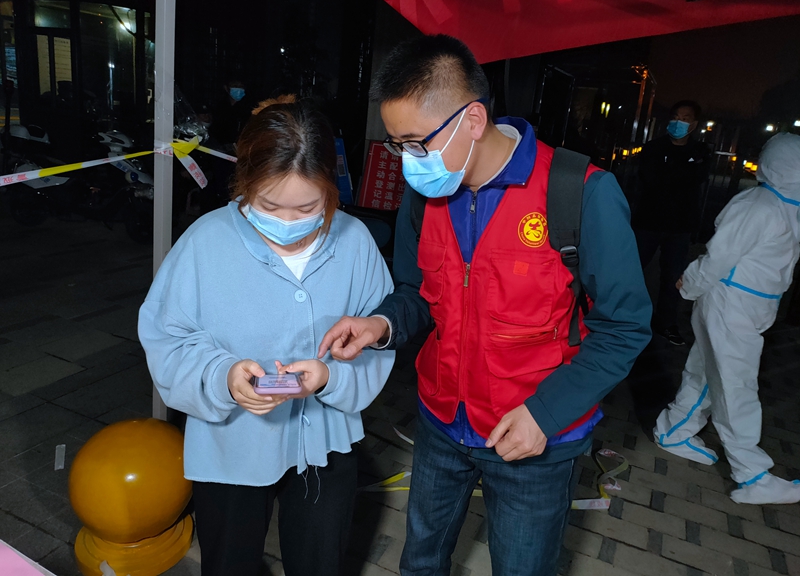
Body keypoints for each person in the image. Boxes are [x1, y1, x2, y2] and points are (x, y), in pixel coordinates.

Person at [318, 35, 652, 576]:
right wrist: (380, 324)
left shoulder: (579, 193)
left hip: (534, 439)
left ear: (473, 119)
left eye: (416, 143)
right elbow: (417, 293)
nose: (408, 162)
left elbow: (624, 327)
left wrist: (545, 415)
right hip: (441, 423)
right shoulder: (426, 196)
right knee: (420, 562)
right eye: (398, 146)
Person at [138, 95, 395, 576]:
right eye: (269, 206)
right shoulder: (205, 242)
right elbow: (167, 338)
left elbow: (376, 336)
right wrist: (223, 376)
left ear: (331, 188)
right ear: (245, 183)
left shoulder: (355, 242)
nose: (287, 224)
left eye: (308, 207)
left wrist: (330, 377)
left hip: (324, 443)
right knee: (229, 563)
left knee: (320, 562)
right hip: (230, 445)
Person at [654, 133, 800, 505]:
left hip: (746, 305)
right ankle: (752, 474)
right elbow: (720, 254)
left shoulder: (786, 204)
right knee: (736, 386)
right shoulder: (761, 205)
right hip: (731, 304)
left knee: (707, 371)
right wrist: (692, 283)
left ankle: (674, 430)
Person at [632, 100, 710, 346]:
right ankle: (624, 317)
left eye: (685, 118)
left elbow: (696, 179)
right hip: (648, 222)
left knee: (673, 277)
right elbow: (651, 179)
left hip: (680, 226)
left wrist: (673, 174)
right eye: (676, 117)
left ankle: (666, 323)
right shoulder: (653, 148)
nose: (679, 122)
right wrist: (682, 172)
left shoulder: (701, 151)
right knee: (631, 271)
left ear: (694, 124)